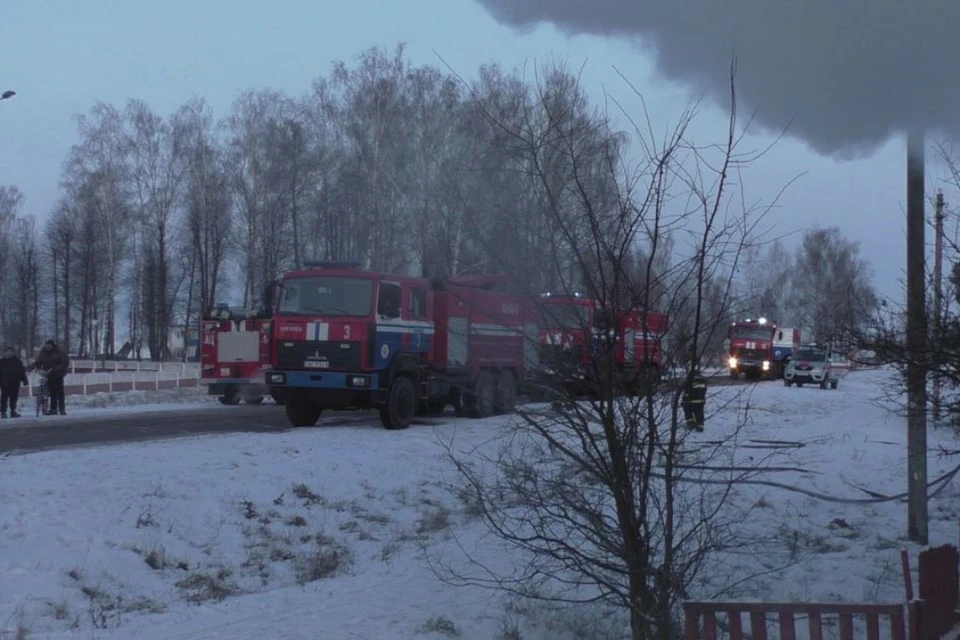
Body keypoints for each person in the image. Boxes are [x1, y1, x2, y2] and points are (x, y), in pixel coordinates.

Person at [33, 339, 70, 416]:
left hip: (58, 374)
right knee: (52, 393)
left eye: (49, 346)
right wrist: (33, 366)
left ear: (53, 346)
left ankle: (62, 409)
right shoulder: (43, 353)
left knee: (60, 393)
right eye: (47, 345)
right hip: (49, 375)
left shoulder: (59, 353)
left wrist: (56, 368)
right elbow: (39, 362)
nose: (48, 347)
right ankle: (53, 409)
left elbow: (64, 362)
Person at [682, 347, 706, 431]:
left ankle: (690, 424)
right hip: (700, 400)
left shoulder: (690, 378)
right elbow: (704, 389)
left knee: (686, 408)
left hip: (691, 400)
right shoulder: (701, 378)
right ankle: (700, 427)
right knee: (699, 413)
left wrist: (685, 398)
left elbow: (688, 389)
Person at [0, 347, 28, 418]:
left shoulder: (17, 361)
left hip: (15, 383)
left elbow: (22, 372)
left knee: (14, 398)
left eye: (11, 352)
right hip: (4, 383)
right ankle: (3, 412)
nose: (10, 353)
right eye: (8, 351)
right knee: (4, 398)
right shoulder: (1, 361)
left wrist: (25, 380)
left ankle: (13, 411)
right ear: (5, 353)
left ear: (14, 353)